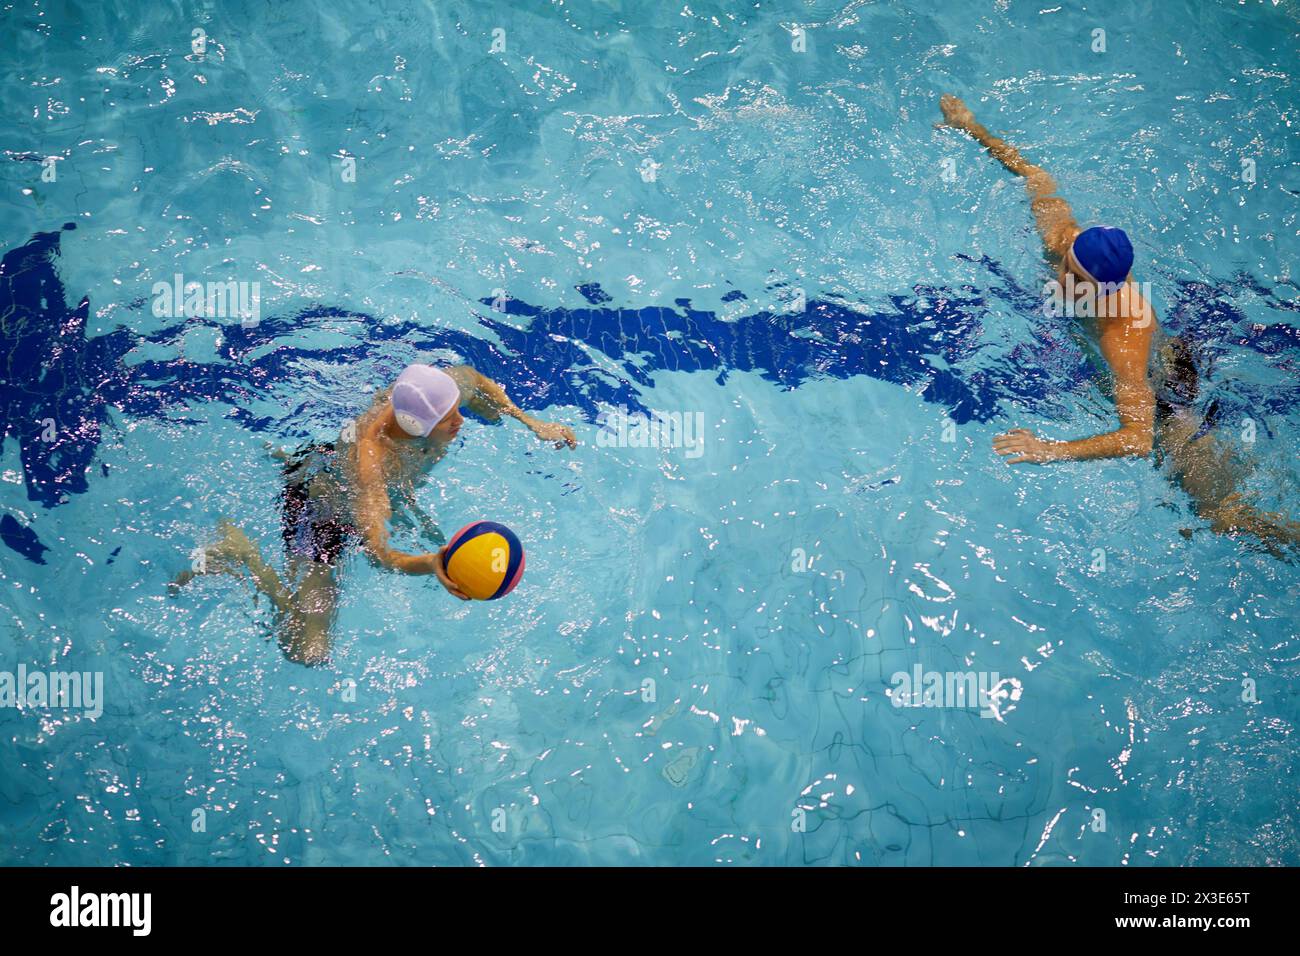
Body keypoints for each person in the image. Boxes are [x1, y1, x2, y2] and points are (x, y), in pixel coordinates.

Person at [939, 94, 1300, 557]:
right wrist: (972, 127)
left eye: (1069, 277)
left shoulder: (1123, 338)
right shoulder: (1064, 238)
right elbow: (1035, 175)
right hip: (1153, 353)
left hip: (1170, 390)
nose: (1058, 276)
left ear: (1101, 289)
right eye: (1064, 263)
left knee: (1220, 514)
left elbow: (1137, 437)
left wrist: (1051, 450)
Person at [173, 363, 578, 664]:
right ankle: (240, 552)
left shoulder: (430, 392)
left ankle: (288, 458)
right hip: (321, 514)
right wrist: (432, 563)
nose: (460, 421)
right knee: (307, 650)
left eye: (457, 409)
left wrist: (531, 422)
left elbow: (473, 379)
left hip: (334, 466)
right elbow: (378, 555)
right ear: (415, 427)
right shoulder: (373, 469)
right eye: (449, 418)